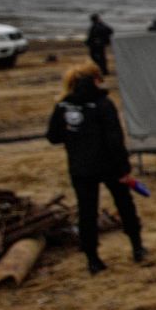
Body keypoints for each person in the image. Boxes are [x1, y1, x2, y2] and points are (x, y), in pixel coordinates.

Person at [46, 62, 146, 273]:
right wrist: (124, 169)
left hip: (80, 167)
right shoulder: (102, 103)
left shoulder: (63, 105)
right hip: (109, 165)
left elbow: (53, 137)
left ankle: (93, 259)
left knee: (87, 212)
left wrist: (74, 136)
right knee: (125, 204)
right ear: (95, 79)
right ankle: (137, 247)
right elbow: (114, 139)